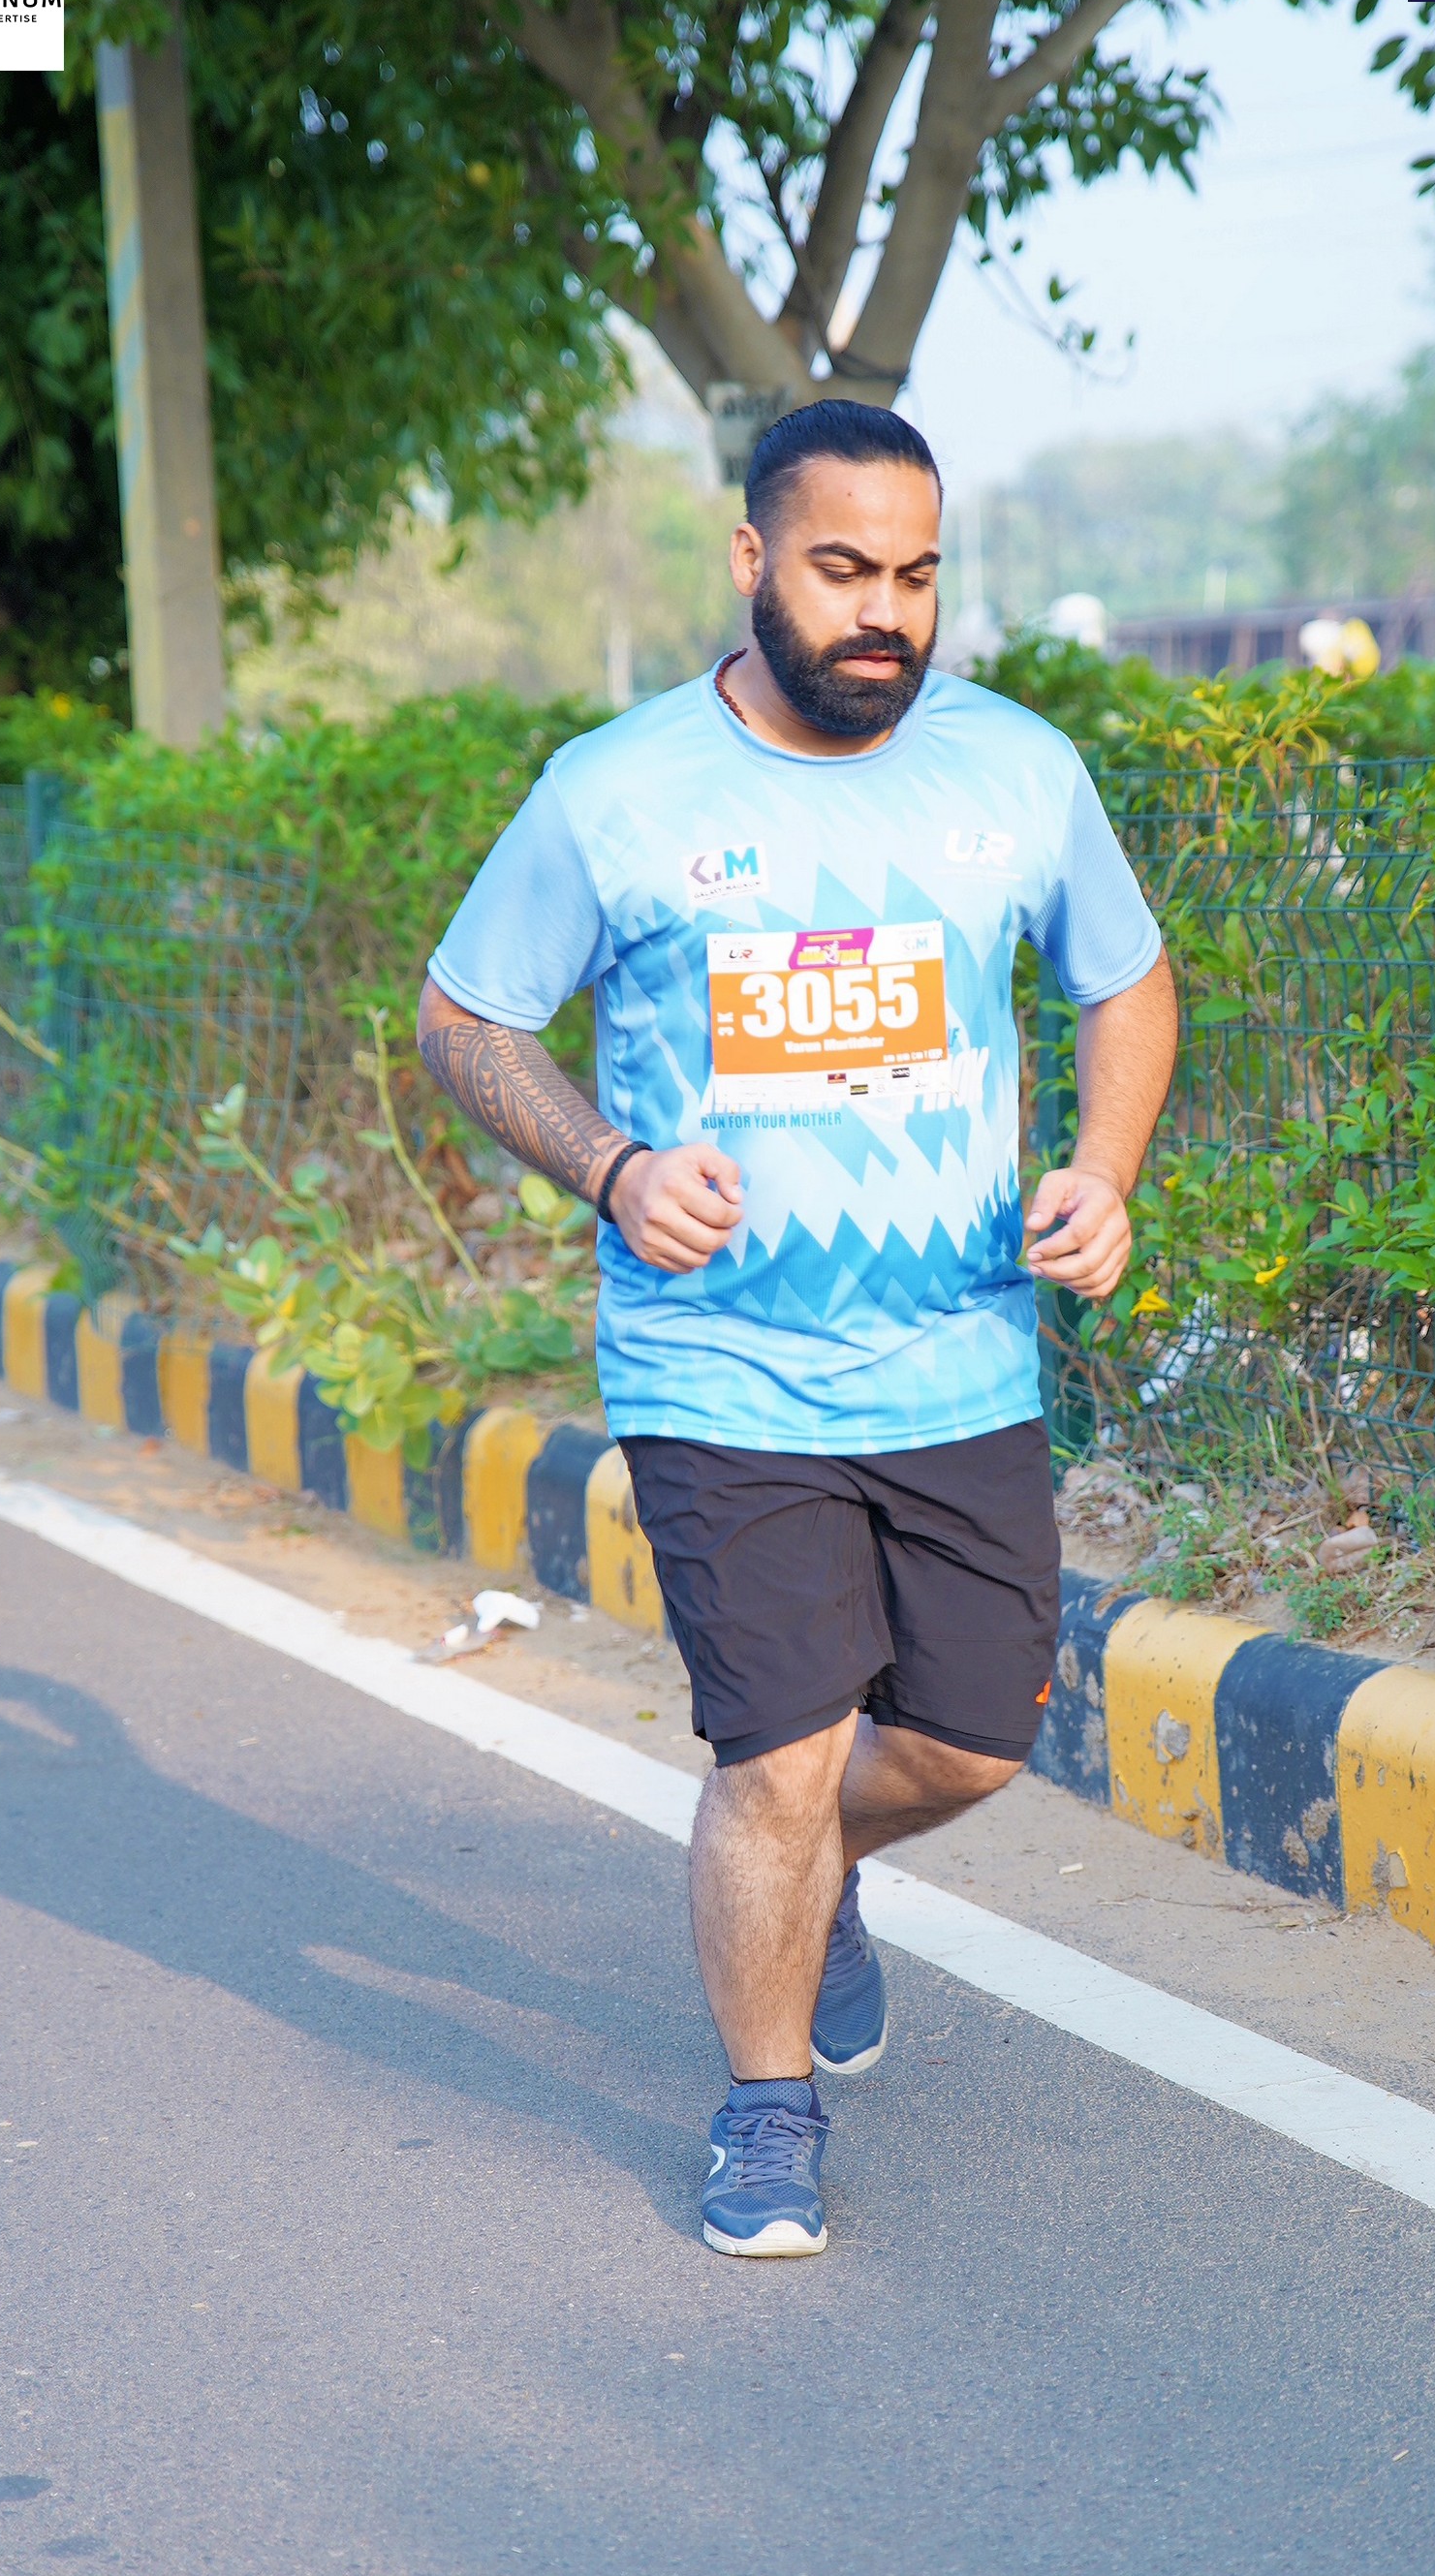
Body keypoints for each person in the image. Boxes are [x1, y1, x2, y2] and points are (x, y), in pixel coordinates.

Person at [418, 400, 1177, 2258]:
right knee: (774, 1758)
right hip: (719, 1366)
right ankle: (766, 2111)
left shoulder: (1017, 770)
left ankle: (813, 1878)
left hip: (962, 1359)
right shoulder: (615, 791)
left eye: (917, 576)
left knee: (975, 1742)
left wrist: (1103, 1170)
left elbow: (1130, 980)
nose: (885, 613)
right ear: (754, 560)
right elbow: (466, 1019)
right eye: (845, 570)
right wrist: (610, 1168)